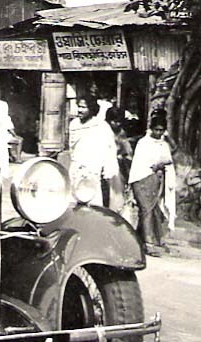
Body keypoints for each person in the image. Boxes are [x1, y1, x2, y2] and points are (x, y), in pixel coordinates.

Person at [128, 115, 175, 256]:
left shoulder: (164, 144)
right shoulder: (143, 143)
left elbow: (170, 159)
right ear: (151, 129)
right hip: (141, 179)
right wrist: (157, 165)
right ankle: (148, 245)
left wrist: (161, 165)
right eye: (156, 130)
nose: (159, 133)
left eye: (162, 130)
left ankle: (140, 240)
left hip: (156, 180)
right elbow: (141, 164)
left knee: (152, 210)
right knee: (146, 210)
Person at [68, 95, 121, 209]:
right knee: (73, 204)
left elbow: (109, 149)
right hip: (75, 169)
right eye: (79, 107)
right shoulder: (74, 124)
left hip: (92, 171)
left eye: (84, 107)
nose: (80, 110)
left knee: (92, 205)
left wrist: (107, 170)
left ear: (91, 109)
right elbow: (72, 148)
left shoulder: (101, 126)